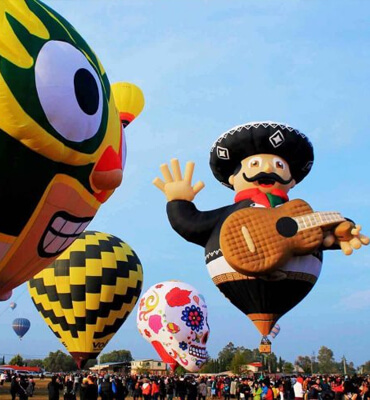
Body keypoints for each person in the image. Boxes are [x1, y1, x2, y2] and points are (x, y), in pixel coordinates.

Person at [154, 122, 368, 287]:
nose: (267, 169)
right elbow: (192, 224)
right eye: (254, 164)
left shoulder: (300, 214)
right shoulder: (226, 217)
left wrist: (343, 229)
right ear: (232, 178)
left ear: (292, 181)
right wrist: (178, 201)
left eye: (278, 165)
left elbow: (320, 235)